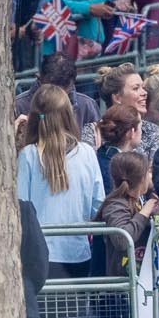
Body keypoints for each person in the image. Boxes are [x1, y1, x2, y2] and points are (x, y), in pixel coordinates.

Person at [17, 85, 107, 280]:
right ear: (68, 115)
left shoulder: (28, 155)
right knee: (77, 311)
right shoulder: (87, 152)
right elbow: (98, 205)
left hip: (39, 254)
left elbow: (21, 206)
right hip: (78, 252)